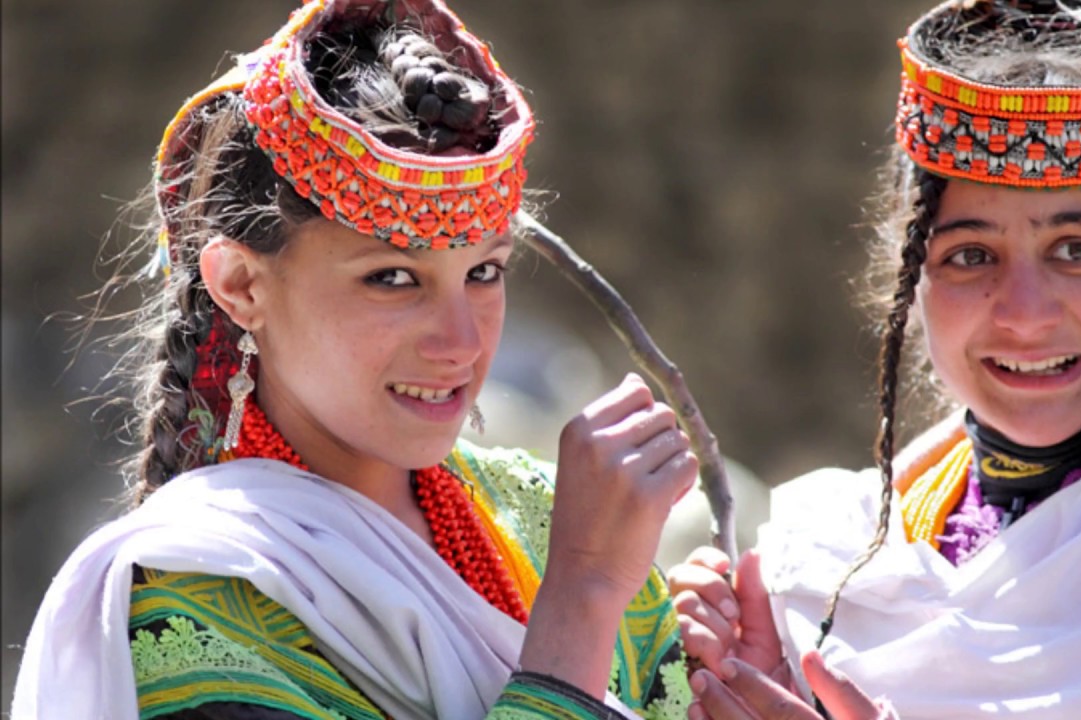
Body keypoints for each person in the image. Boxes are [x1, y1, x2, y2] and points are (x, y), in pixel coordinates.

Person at [12, 1, 698, 718]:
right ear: (241, 285)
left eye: (484, 273)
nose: (461, 344)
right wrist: (583, 597)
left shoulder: (545, 516)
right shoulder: (190, 602)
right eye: (393, 279)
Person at [668, 0, 1081, 717]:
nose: (1025, 313)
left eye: (1077, 251)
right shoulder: (817, 572)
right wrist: (736, 678)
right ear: (913, 286)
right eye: (971, 256)